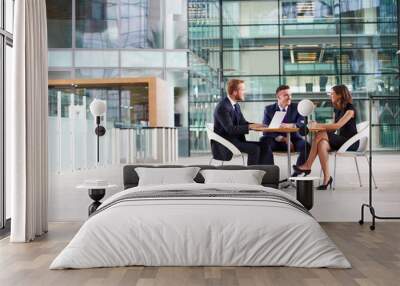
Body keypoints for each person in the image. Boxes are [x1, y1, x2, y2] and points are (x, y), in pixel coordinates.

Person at [293, 85, 359, 190]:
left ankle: (308, 165)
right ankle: (327, 178)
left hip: (350, 142)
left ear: (340, 95)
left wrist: (318, 126)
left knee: (320, 134)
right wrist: (316, 125)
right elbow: (332, 129)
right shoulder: (337, 109)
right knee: (322, 144)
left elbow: (338, 126)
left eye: (332, 93)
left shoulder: (350, 109)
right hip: (340, 139)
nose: (330, 95)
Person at [213, 79, 273, 165]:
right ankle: (251, 174)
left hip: (236, 140)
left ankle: (267, 173)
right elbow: (230, 129)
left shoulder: (235, 105)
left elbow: (243, 123)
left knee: (265, 146)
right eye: (242, 90)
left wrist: (257, 125)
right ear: (234, 92)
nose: (244, 92)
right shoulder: (222, 107)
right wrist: (250, 127)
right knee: (254, 148)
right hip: (227, 143)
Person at [260, 85, 310, 174]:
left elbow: (301, 124)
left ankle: (297, 172)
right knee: (263, 142)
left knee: (306, 146)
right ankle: (270, 174)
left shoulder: (298, 107)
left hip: (294, 140)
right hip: (276, 141)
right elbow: (266, 130)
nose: (289, 97)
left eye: (290, 95)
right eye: (286, 95)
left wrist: (291, 125)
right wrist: (284, 139)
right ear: (278, 97)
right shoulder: (269, 109)